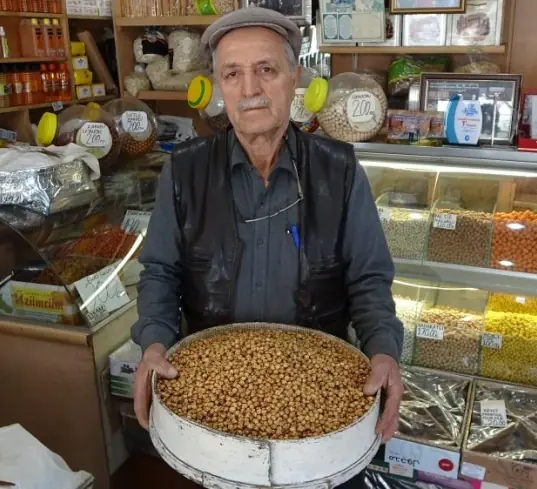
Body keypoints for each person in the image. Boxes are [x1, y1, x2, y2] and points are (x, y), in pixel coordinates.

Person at [131, 7, 404, 486]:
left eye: (266, 69)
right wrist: (155, 341)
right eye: (232, 74)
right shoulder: (185, 170)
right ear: (218, 86)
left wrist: (383, 350)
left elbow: (368, 278)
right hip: (213, 399)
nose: (250, 90)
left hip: (321, 396)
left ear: (294, 76)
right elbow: (160, 272)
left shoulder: (337, 170)